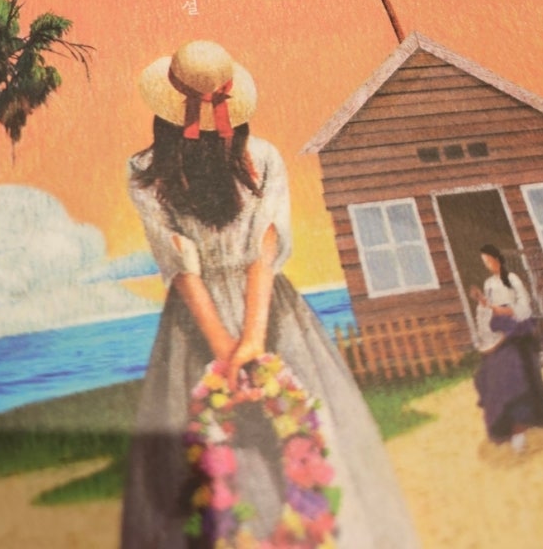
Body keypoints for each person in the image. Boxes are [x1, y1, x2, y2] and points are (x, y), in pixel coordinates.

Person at [121, 38, 419, 548]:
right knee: (213, 455)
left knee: (303, 437)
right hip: (200, 320)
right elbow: (182, 265)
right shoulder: (147, 172)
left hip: (266, 313)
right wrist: (226, 348)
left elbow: (263, 249)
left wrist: (252, 342)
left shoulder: (261, 159)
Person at [470, 244, 543, 454]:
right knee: (486, 373)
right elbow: (488, 310)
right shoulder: (489, 283)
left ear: (497, 258)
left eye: (489, 260)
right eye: (484, 262)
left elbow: (525, 308)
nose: (488, 265)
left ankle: (519, 429)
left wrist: (505, 311)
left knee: (510, 369)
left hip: (519, 331)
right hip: (500, 331)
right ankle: (504, 424)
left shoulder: (513, 279)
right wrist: (483, 303)